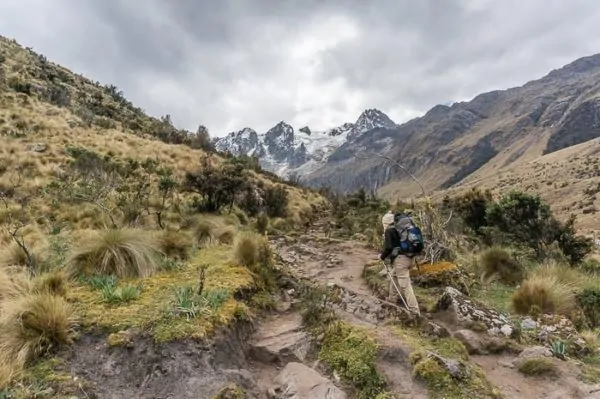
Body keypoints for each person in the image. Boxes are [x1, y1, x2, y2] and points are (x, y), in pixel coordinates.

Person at [379, 212, 420, 315]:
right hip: (411, 258)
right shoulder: (404, 228)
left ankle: (415, 312)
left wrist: (382, 257)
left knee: (406, 286)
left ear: (386, 223)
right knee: (394, 275)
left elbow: (388, 247)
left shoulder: (389, 230)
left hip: (401, 260)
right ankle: (392, 299)